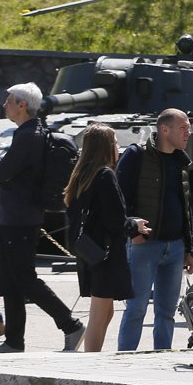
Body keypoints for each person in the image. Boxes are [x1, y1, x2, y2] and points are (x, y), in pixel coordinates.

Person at [0, 83, 84, 353]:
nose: (4, 105)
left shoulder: (28, 136)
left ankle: (70, 324)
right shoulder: (29, 133)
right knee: (9, 280)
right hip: (14, 219)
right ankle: (14, 341)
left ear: (22, 105)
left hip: (19, 220)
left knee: (24, 279)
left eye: (9, 101)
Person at [63, 123, 150, 352]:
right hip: (106, 253)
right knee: (100, 313)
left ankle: (93, 358)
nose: (118, 148)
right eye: (114, 143)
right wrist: (134, 224)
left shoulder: (81, 175)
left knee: (105, 311)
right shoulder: (105, 175)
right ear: (105, 147)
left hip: (90, 251)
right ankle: (91, 363)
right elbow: (115, 220)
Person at [115, 109, 193, 351]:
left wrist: (189, 248)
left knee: (167, 312)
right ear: (164, 129)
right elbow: (118, 199)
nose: (188, 133)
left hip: (175, 248)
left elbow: (186, 208)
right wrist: (133, 233)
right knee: (136, 308)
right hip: (144, 246)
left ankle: (161, 358)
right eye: (183, 128)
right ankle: (125, 359)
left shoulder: (181, 160)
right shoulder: (136, 155)